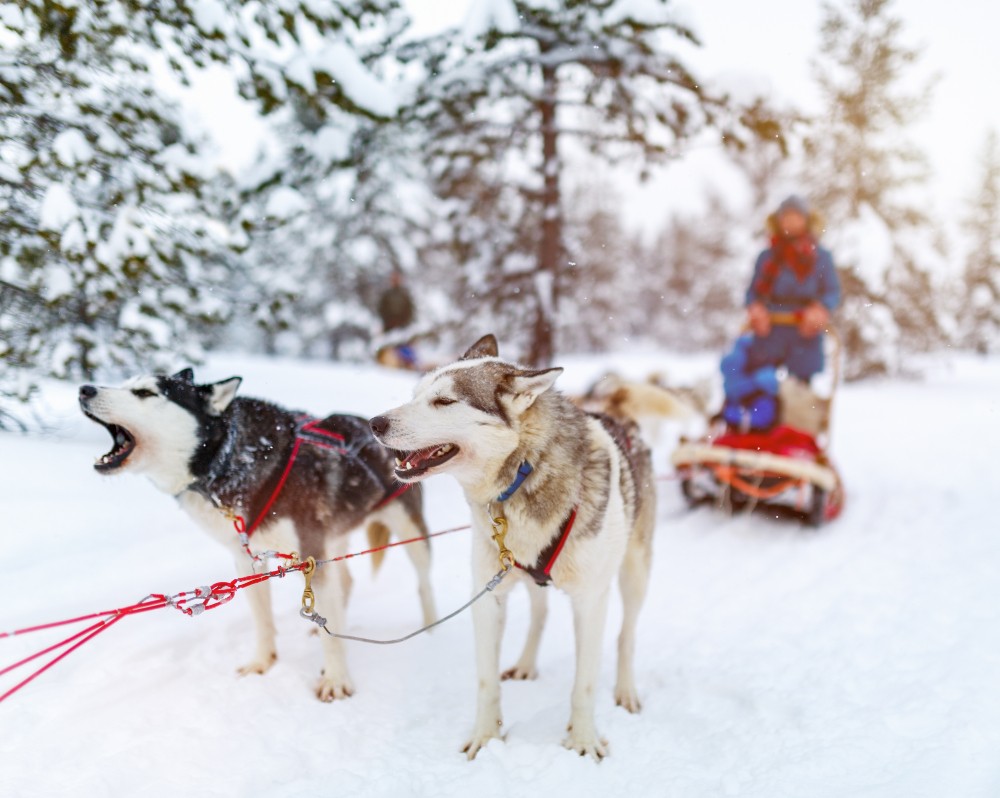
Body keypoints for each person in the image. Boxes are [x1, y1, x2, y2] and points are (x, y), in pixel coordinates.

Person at [720, 195, 841, 431]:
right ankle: (756, 431)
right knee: (761, 383)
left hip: (805, 332)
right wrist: (756, 310)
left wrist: (819, 310)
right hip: (770, 331)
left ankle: (796, 432)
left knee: (798, 388)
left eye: (796, 217)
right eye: (786, 217)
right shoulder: (767, 257)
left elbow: (832, 292)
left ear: (807, 220)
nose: (791, 222)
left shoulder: (821, 257)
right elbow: (753, 293)